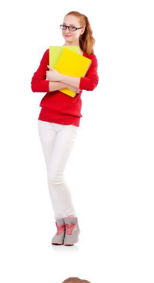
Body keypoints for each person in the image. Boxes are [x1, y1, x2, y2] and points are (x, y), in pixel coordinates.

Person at [31, 11, 99, 246]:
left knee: (55, 176)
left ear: (82, 30)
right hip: (46, 119)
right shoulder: (52, 52)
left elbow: (91, 84)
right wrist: (68, 81)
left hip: (69, 121)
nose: (67, 31)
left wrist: (57, 77)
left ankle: (71, 221)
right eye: (64, 26)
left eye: (72, 27)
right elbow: (35, 84)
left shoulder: (88, 57)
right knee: (52, 177)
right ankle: (60, 223)